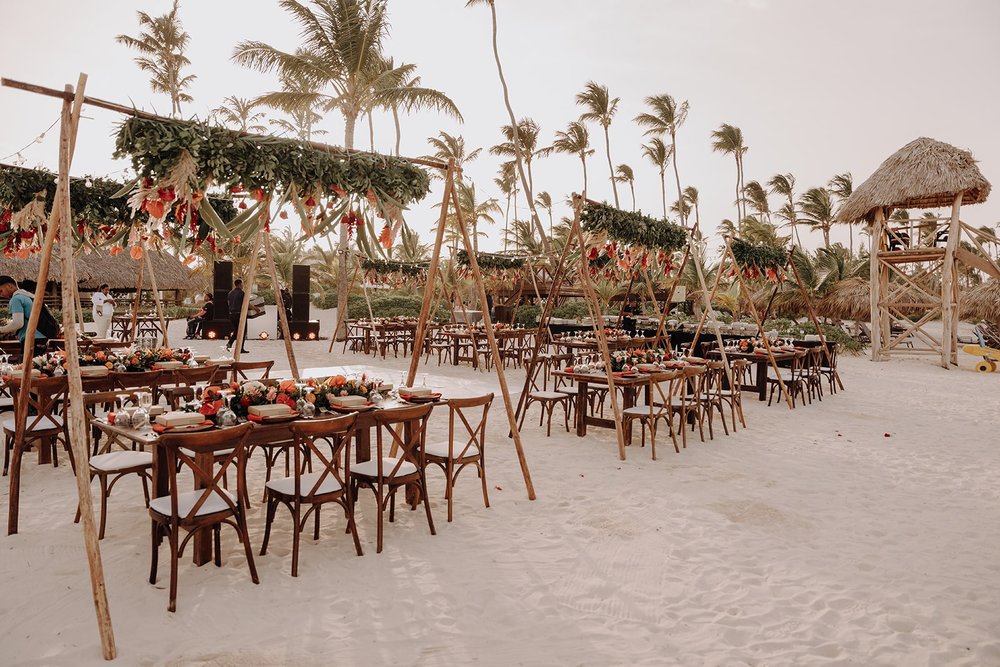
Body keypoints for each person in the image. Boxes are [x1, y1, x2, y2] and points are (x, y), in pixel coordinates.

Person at [0, 276, 47, 355]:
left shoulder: (16, 299)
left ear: (9, 286)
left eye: (0, 291)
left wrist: (1, 330)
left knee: (26, 366)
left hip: (31, 339)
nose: (1, 295)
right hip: (42, 338)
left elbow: (18, 323)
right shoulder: (28, 296)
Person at [226, 279, 250, 353]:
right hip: (239, 314)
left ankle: (229, 343)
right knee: (242, 331)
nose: (243, 285)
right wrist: (256, 308)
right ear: (240, 284)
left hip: (231, 314)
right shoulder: (242, 293)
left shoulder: (230, 293)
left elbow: (228, 303)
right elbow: (246, 303)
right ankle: (240, 348)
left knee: (237, 330)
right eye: (242, 284)